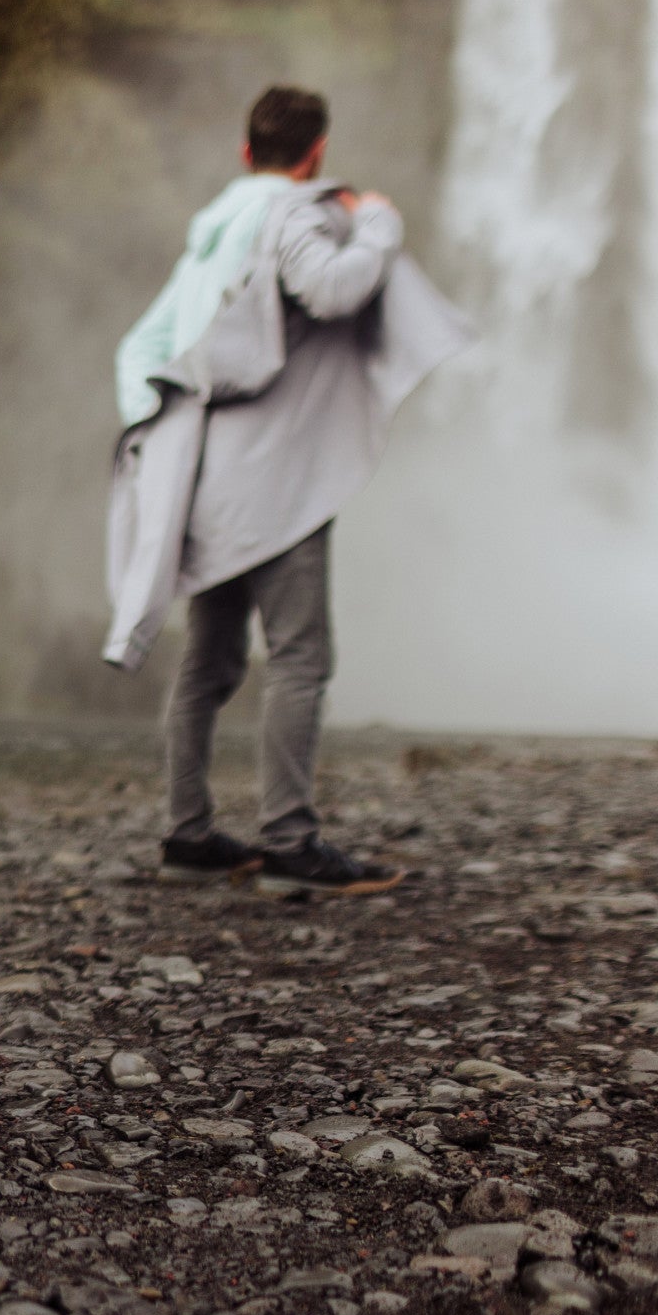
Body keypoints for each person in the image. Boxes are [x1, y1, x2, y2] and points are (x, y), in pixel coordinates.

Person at [102, 86, 474, 902]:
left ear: (246, 152)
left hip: (205, 472)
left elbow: (146, 348)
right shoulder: (299, 214)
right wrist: (378, 220)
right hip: (274, 483)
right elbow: (334, 290)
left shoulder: (207, 241)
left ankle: (188, 833)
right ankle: (290, 840)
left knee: (210, 659)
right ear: (316, 153)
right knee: (301, 657)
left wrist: (157, 439)